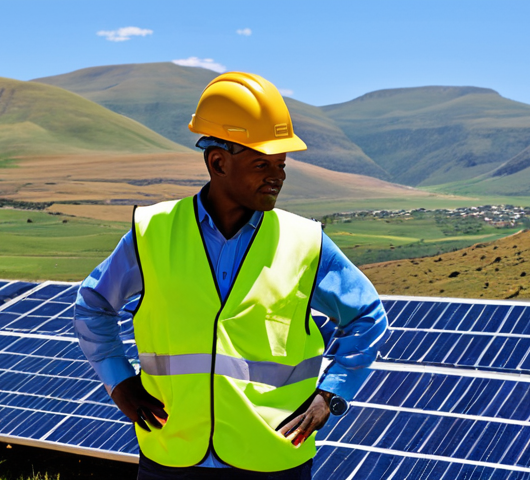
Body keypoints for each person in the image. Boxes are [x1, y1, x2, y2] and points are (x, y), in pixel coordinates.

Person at [73, 72, 388, 480]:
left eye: (282, 164)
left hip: (272, 458)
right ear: (218, 162)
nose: (278, 176)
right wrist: (118, 381)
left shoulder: (306, 242)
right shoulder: (152, 232)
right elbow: (93, 306)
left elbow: (367, 316)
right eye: (262, 164)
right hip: (172, 455)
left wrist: (333, 393)